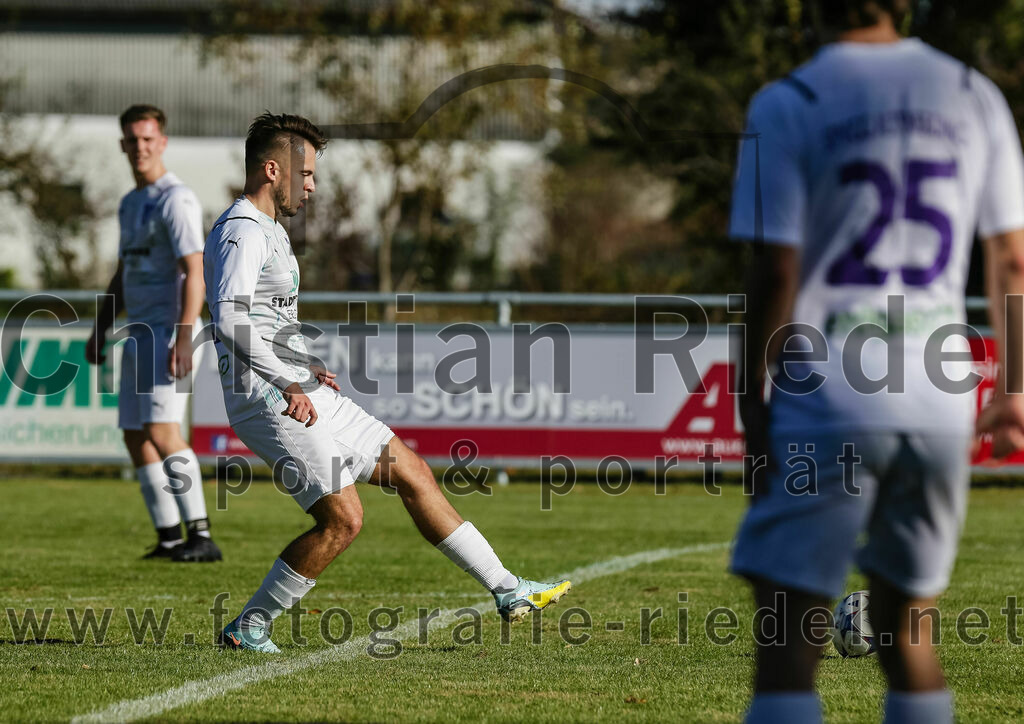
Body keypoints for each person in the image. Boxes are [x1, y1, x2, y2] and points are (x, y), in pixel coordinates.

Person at [728, 2, 1024, 722]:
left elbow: (775, 272)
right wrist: (1014, 387)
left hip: (828, 383)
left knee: (790, 642)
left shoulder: (788, 100)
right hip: (937, 387)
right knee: (908, 628)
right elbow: (1012, 261)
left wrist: (752, 396)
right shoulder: (971, 94)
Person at [206, 112, 571, 652]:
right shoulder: (242, 232)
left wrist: (303, 367)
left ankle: (508, 590)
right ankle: (249, 626)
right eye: (305, 174)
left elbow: (265, 319)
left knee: (412, 471)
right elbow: (230, 318)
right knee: (343, 520)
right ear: (271, 169)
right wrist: (288, 383)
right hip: (269, 400)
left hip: (298, 390)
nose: (312, 186)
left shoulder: (272, 232)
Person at [86, 104, 222, 563]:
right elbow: (123, 273)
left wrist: (184, 335)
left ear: (162, 142)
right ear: (123, 144)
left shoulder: (175, 198)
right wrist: (100, 327)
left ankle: (201, 536)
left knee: (163, 430)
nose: (140, 147)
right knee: (134, 433)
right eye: (132, 139)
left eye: (149, 139)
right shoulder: (129, 203)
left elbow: (195, 269)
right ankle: (168, 537)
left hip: (170, 332)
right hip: (138, 334)